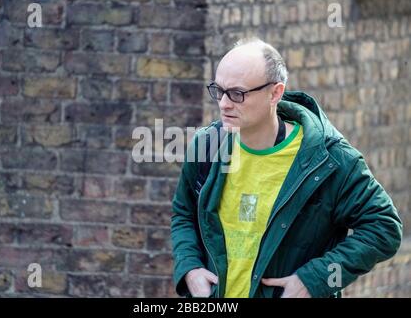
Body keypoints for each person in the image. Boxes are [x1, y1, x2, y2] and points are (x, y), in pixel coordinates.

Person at [170, 37, 402, 298]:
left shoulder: (331, 160)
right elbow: (184, 212)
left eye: (237, 94)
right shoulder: (208, 145)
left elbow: (384, 229)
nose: (223, 103)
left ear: (275, 93)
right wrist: (189, 267)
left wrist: (316, 279)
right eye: (219, 91)